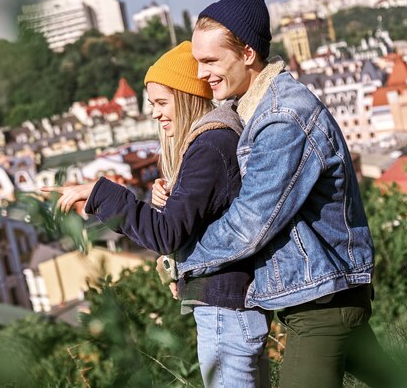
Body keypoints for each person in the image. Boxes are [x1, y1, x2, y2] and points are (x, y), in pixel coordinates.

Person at [154, 0, 400, 388]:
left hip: (322, 305)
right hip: (322, 294)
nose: (201, 74)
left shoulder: (283, 118)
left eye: (211, 60)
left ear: (248, 54)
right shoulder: (254, 110)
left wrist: (184, 257)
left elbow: (251, 224)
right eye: (198, 62)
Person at [43, 41, 271, 387]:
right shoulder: (213, 141)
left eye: (161, 103)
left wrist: (98, 193)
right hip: (230, 305)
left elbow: (165, 234)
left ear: (185, 98)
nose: (155, 113)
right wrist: (169, 199)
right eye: (152, 104)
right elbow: (197, 220)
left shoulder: (209, 146)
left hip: (226, 309)